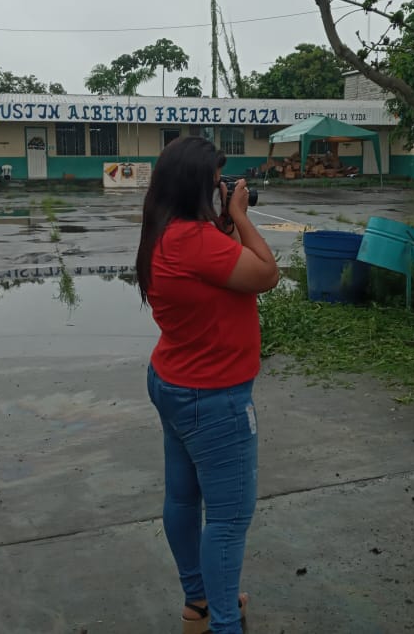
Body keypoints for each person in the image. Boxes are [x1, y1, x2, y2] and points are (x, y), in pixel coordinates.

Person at [136, 136, 280, 634]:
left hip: (174, 381)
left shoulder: (164, 230)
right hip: (214, 396)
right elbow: (266, 274)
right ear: (197, 187)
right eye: (216, 182)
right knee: (228, 518)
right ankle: (223, 624)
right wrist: (239, 215)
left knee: (183, 499)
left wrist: (223, 223)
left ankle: (198, 603)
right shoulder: (196, 241)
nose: (222, 188)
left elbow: (220, 266)